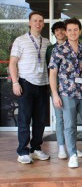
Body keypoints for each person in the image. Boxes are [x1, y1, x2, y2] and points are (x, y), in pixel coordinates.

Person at [9, 11, 51, 164]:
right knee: (24, 119)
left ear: (43, 23)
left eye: (40, 21)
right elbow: (12, 63)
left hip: (43, 86)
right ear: (29, 22)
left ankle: (36, 149)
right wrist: (15, 82)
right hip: (26, 84)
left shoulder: (46, 42)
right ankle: (22, 151)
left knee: (40, 121)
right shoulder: (20, 41)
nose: (38, 23)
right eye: (35, 21)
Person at [48, 18, 82, 168]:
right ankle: (72, 154)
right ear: (65, 32)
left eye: (75, 30)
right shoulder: (58, 50)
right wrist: (55, 94)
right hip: (66, 93)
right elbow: (52, 74)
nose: (72, 33)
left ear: (80, 31)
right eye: (69, 30)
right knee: (70, 125)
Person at [45, 21, 67, 159]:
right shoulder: (50, 49)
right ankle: (61, 147)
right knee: (59, 119)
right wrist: (53, 89)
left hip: (71, 90)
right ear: (54, 33)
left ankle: (73, 148)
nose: (59, 33)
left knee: (70, 120)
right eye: (56, 31)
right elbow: (50, 70)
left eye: (61, 30)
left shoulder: (72, 45)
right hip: (56, 89)